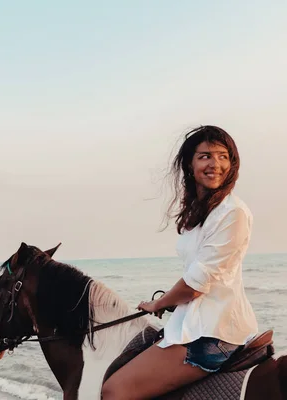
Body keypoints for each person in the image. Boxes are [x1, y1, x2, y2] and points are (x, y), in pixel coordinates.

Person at [101, 125, 259, 399]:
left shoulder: (232, 213)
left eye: (223, 156)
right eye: (205, 156)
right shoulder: (200, 214)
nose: (215, 164)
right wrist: (175, 301)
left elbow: (197, 283)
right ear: (190, 163)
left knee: (115, 390)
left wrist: (159, 303)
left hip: (214, 333)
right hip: (194, 322)